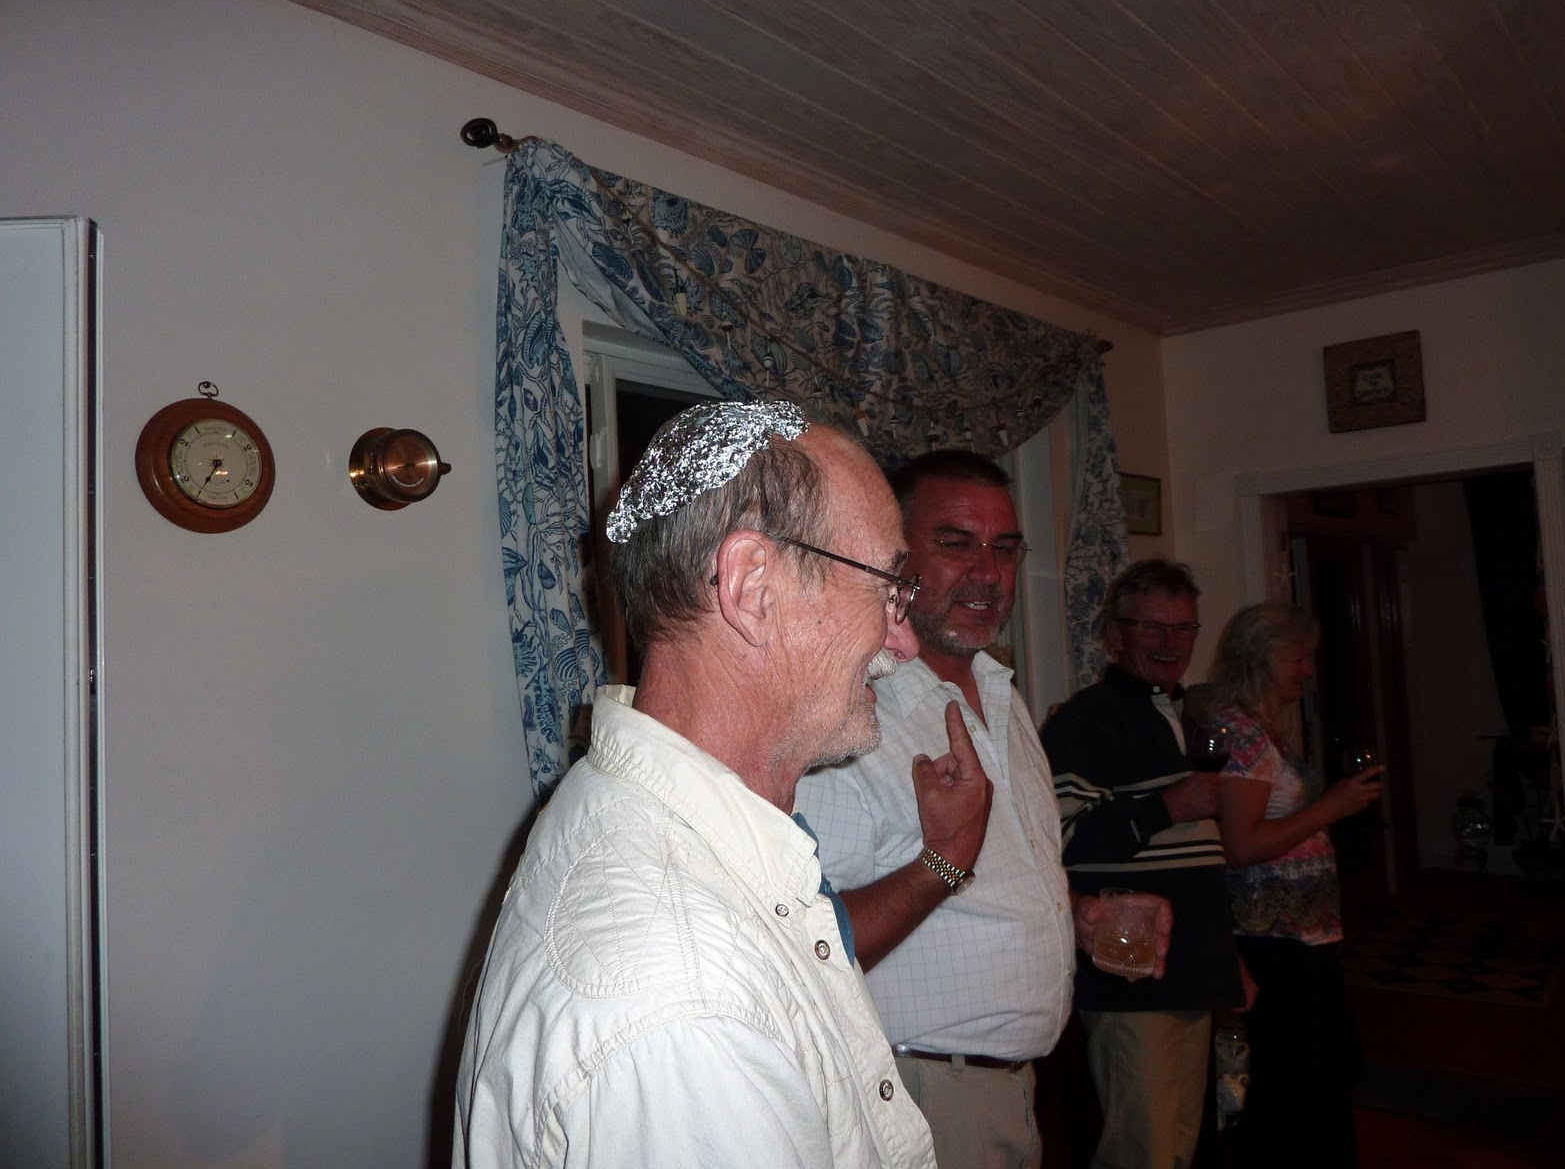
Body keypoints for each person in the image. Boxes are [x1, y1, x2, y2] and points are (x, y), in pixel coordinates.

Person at [453, 401, 957, 1168]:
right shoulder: (685, 998)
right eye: (888, 586)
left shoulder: (653, 825)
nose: (906, 639)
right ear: (752, 585)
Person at [795, 450, 1170, 1169]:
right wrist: (942, 863)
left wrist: (1081, 918)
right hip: (920, 1093)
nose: (989, 573)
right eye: (955, 543)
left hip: (1012, 1090)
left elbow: (1004, 875)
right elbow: (807, 951)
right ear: (892, 557)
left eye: (1004, 549)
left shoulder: (1000, 693)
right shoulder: (849, 723)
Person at [1040, 559, 1246, 1169]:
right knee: (1144, 1152)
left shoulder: (1188, 716)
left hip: (1193, 966)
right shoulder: (1085, 720)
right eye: (1152, 628)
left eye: (1183, 629)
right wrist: (1165, 806)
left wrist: (1228, 963)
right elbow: (1060, 839)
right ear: (1114, 634)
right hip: (1129, 974)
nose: (1170, 643)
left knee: (1181, 1146)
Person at [1209, 602, 1384, 1169]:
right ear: (1260, 660)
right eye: (1298, 658)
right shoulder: (1241, 735)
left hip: (1303, 937)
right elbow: (1241, 846)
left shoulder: (1267, 731)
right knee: (1293, 1088)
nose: (1308, 671)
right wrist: (1331, 806)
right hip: (1273, 939)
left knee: (1326, 1071)